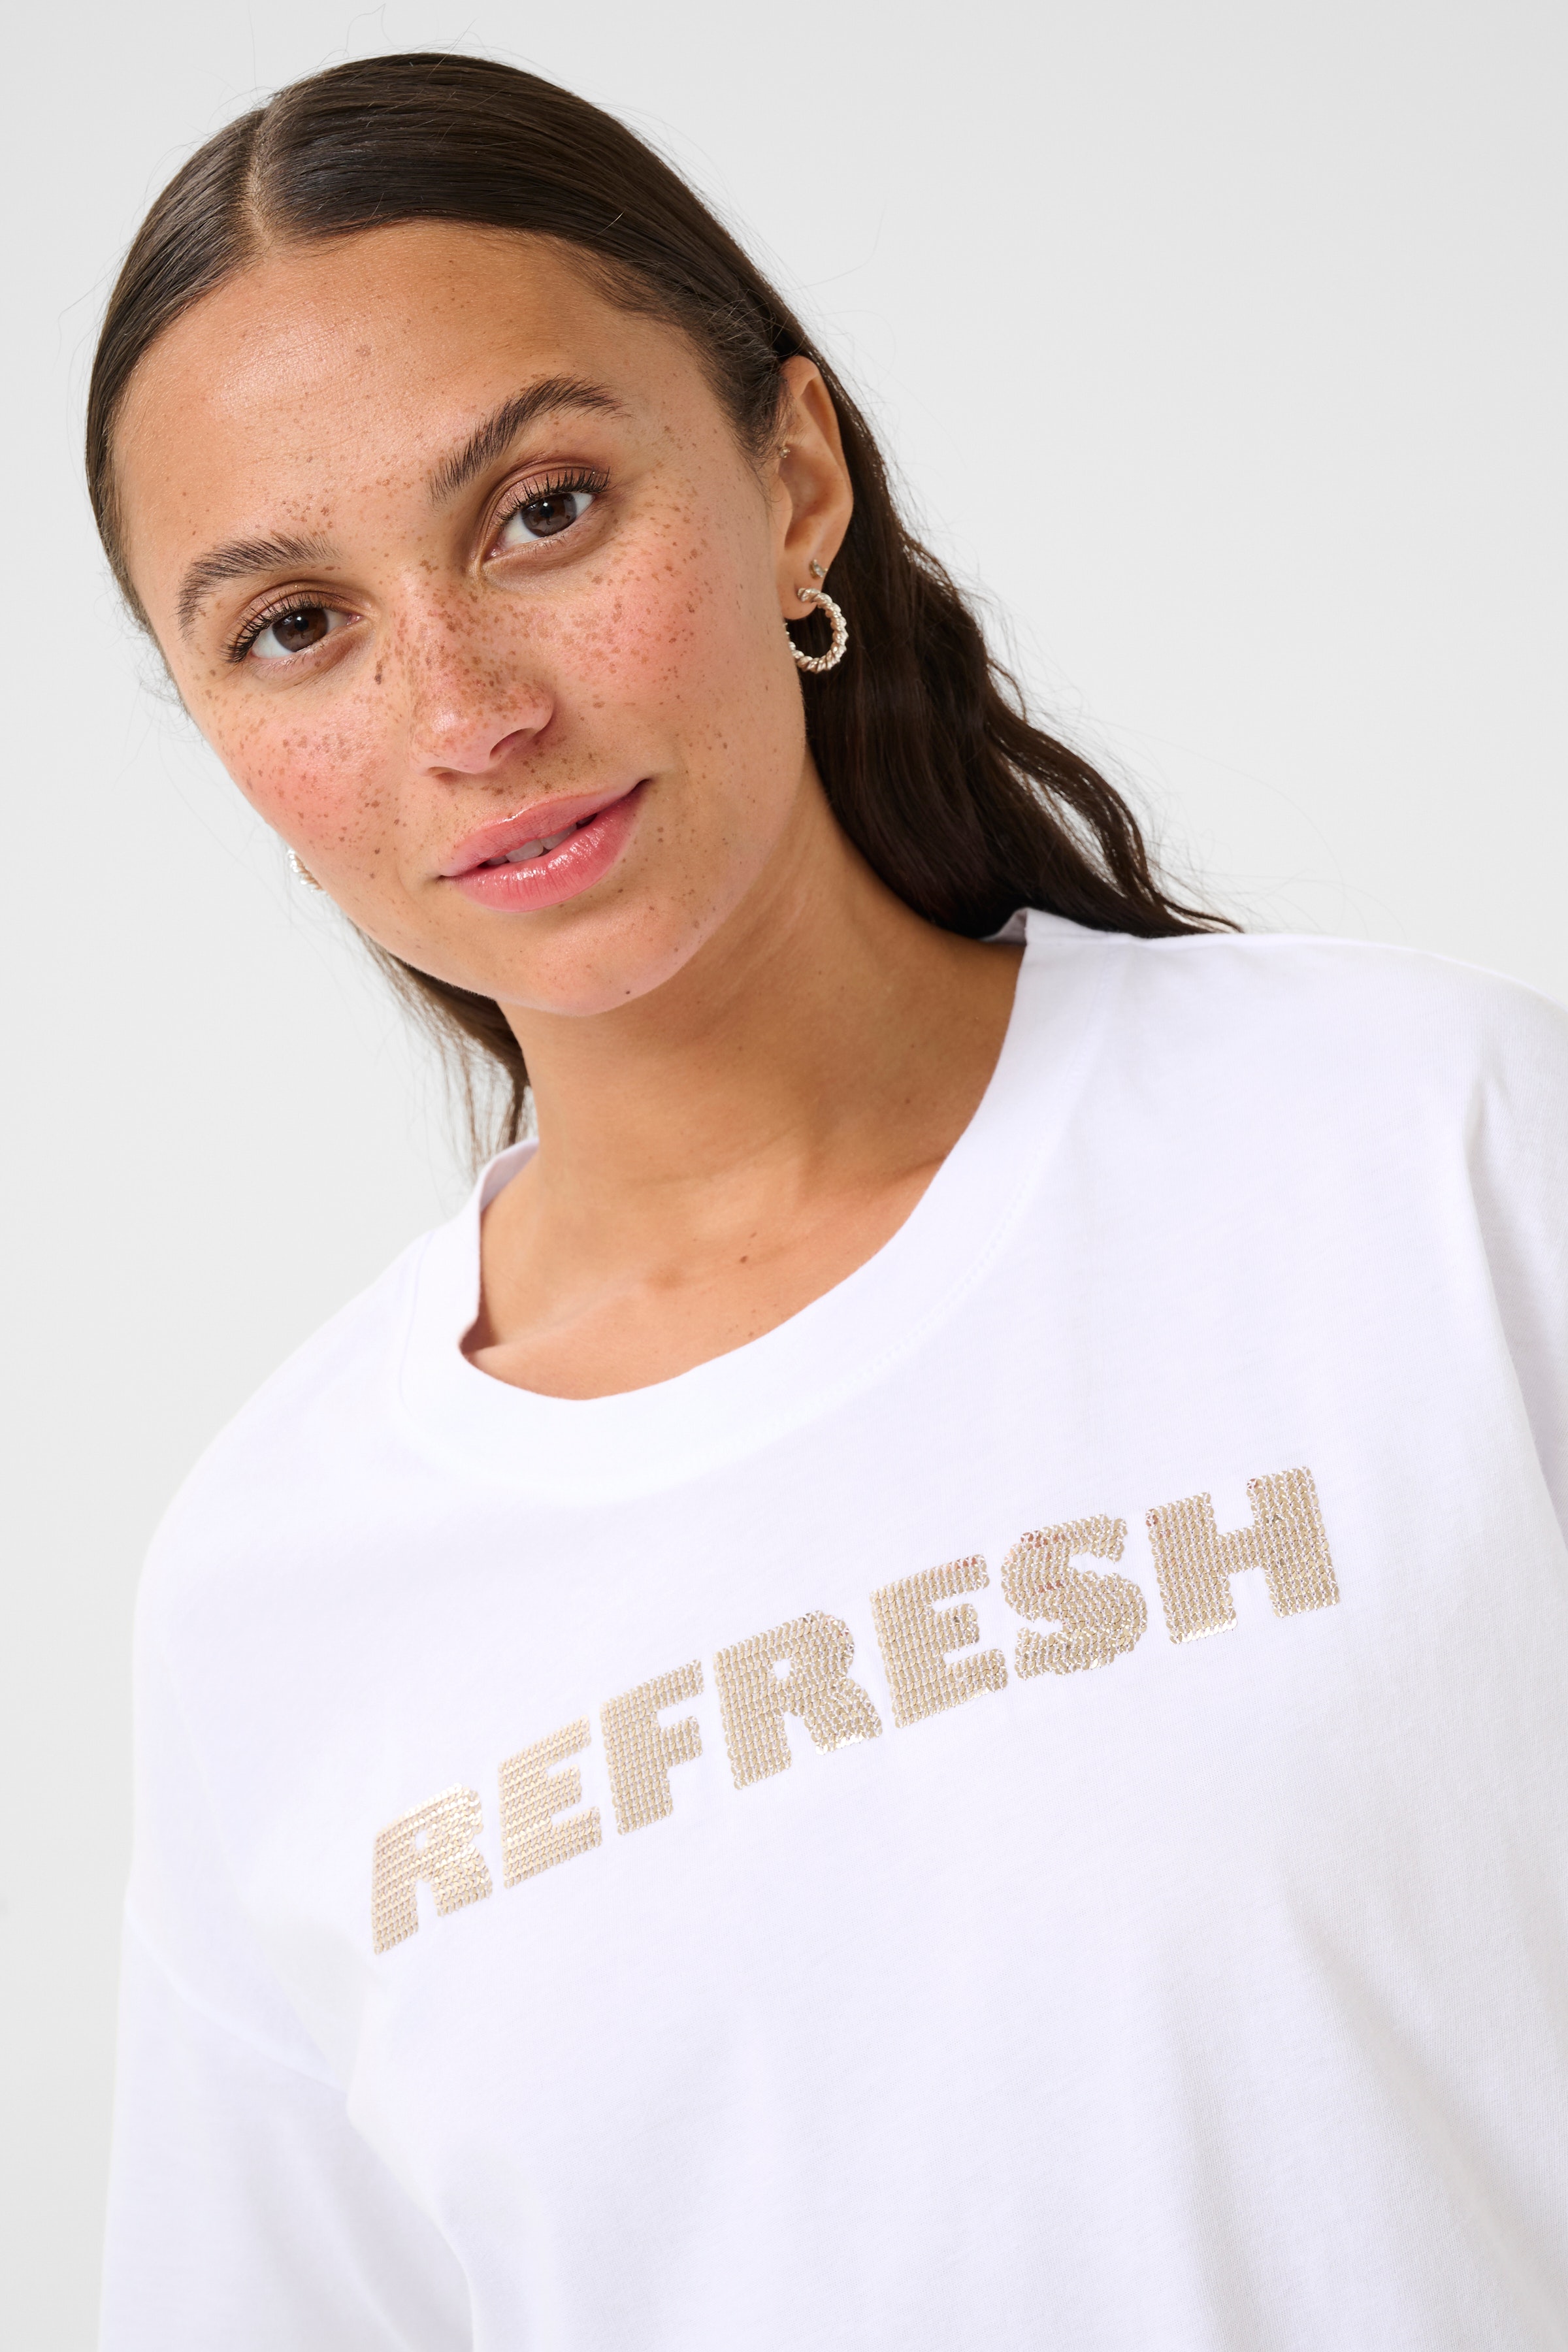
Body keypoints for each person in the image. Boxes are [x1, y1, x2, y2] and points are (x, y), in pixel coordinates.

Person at [89, 49, 1568, 2352]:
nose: (465, 710)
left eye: (544, 511)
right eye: (295, 625)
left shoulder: (1431, 1159)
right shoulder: (274, 1590)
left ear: (793, 482)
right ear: (219, 735)